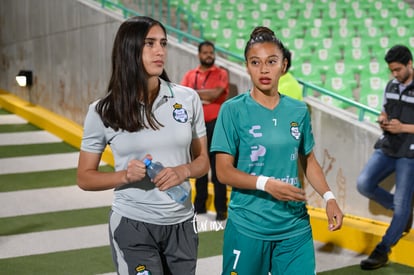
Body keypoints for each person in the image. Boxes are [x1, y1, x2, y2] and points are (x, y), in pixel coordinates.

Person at [76, 16, 209, 275]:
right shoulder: (102, 111)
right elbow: (84, 177)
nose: (160, 51)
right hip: (133, 225)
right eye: (149, 43)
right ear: (129, 48)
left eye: (163, 43)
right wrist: (125, 175)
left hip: (182, 224)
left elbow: (203, 161)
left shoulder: (188, 98)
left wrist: (183, 171)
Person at [210, 26, 343, 274]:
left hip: (295, 227)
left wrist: (329, 198)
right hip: (248, 226)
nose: (263, 69)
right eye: (255, 62)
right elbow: (223, 172)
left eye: (271, 61)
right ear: (247, 66)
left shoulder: (298, 110)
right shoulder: (232, 110)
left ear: (283, 65)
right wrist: (266, 184)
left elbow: (310, 160)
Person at [356, 44, 414, 270]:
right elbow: (385, 109)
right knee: (364, 184)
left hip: (409, 153)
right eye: (392, 70)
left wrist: (404, 128)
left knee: (400, 207)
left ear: (410, 64)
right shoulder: (391, 85)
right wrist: (383, 118)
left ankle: (382, 250)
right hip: (388, 145)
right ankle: (403, 214)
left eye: (398, 70)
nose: (395, 75)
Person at [181, 41, 229, 221]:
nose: (209, 55)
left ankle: (221, 209)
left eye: (211, 52)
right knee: (200, 166)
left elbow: (216, 94)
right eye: (205, 52)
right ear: (199, 55)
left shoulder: (221, 73)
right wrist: (203, 95)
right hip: (196, 125)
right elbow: (183, 95)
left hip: (216, 124)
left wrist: (195, 93)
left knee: (218, 169)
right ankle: (199, 206)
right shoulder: (190, 74)